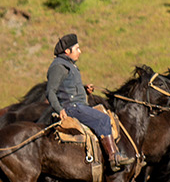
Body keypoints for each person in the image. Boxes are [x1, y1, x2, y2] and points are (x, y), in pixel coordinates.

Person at [46, 33, 132, 171]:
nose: (80, 51)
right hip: (72, 108)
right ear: (67, 51)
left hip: (78, 105)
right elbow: (50, 91)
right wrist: (59, 109)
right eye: (77, 48)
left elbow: (68, 87)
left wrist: (84, 89)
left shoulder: (69, 65)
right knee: (103, 119)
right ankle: (113, 157)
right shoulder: (59, 67)